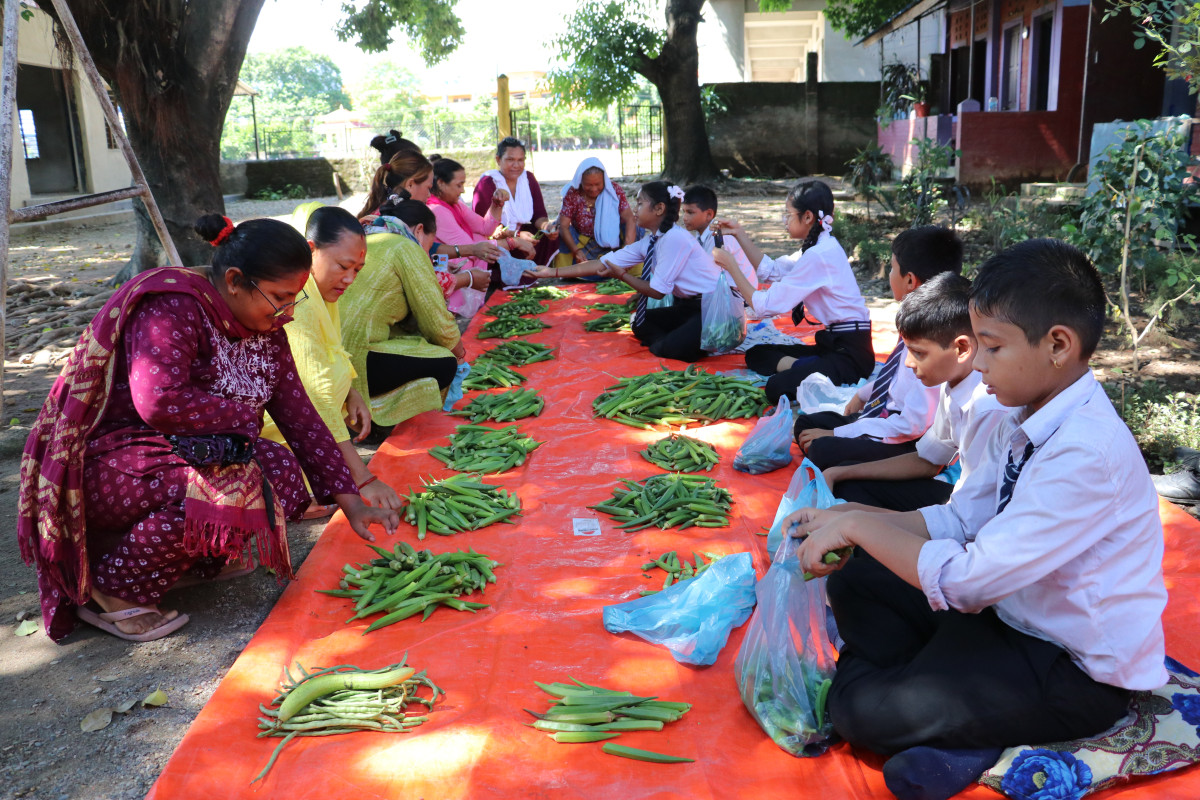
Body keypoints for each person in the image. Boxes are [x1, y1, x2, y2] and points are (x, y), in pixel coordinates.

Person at [789, 239, 1166, 800]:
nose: (978, 364)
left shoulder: (1086, 452)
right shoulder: (1026, 412)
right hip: (1007, 616)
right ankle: (949, 704)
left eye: (991, 347)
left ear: (1058, 345)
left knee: (861, 714)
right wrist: (850, 516)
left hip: (1069, 666)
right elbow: (962, 514)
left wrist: (860, 526)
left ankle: (964, 721)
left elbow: (967, 582)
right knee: (858, 573)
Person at [17, 215, 398, 643]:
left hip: (190, 450)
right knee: (226, 489)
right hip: (116, 461)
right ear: (234, 281)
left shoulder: (266, 325)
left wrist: (353, 504)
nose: (287, 313)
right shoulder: (172, 306)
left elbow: (300, 417)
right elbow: (158, 399)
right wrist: (243, 418)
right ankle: (112, 588)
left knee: (281, 473)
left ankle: (194, 561)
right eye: (279, 298)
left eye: (294, 300)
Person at [261, 205, 403, 515]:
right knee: (317, 487)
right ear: (310, 251)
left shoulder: (322, 291)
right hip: (275, 431)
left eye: (358, 270)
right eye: (343, 266)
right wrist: (363, 478)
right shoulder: (297, 299)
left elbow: (333, 350)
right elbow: (315, 394)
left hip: (311, 422)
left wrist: (351, 393)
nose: (350, 278)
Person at [821, 273, 1006, 512]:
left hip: (975, 513)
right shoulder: (952, 385)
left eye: (918, 352)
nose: (908, 363)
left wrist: (859, 521)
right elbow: (928, 460)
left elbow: (972, 514)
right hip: (964, 504)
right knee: (847, 483)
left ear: (961, 348)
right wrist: (841, 472)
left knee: (851, 499)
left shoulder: (986, 406)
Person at [788, 226, 964, 470]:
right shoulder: (918, 322)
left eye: (892, 268)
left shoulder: (936, 342)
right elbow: (895, 378)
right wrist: (863, 395)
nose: (911, 361)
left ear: (910, 280)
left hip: (907, 438)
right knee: (807, 425)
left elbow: (912, 425)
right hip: (885, 416)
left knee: (823, 448)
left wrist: (842, 432)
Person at [711, 179, 875, 404]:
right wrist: (738, 233)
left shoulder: (819, 255)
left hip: (850, 354)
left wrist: (732, 266)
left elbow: (764, 304)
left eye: (788, 214)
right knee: (756, 354)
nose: (784, 221)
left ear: (807, 217)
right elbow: (771, 270)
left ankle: (810, 369)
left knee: (776, 388)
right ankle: (807, 368)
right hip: (832, 344)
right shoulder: (817, 247)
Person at [527, 181, 721, 362]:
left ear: (659, 209)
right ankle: (683, 339)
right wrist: (551, 272)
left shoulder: (674, 239)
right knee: (639, 322)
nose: (634, 209)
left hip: (711, 308)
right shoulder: (652, 240)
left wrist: (622, 275)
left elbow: (657, 291)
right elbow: (602, 263)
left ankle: (684, 341)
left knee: (668, 349)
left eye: (639, 203)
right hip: (686, 306)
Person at [340, 199, 464, 428]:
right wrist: (460, 354)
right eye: (430, 243)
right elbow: (436, 322)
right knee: (445, 363)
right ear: (419, 231)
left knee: (413, 343)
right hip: (358, 356)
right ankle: (375, 416)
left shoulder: (368, 238)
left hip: (333, 354)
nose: (427, 252)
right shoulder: (406, 247)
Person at [359, 147, 503, 270]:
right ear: (410, 185)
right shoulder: (394, 219)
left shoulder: (394, 211)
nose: (428, 195)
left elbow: (424, 252)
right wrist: (466, 279)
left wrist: (441, 264)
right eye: (428, 188)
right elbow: (414, 271)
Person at [427, 155, 535, 290]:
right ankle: (454, 307)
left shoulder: (455, 205)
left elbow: (485, 228)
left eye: (463, 184)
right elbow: (470, 247)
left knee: (479, 237)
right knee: (469, 250)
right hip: (442, 269)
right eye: (459, 185)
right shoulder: (436, 210)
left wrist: (497, 204)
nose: (463, 190)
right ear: (441, 183)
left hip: (452, 266)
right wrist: (513, 242)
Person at [472, 137, 558, 265]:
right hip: (497, 239)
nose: (516, 165)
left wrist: (547, 227)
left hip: (521, 233)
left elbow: (539, 216)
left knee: (552, 237)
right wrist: (517, 235)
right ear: (498, 160)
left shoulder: (528, 178)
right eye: (510, 160)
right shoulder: (487, 183)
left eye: (520, 160)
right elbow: (487, 229)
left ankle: (534, 270)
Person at [554, 157, 636, 267]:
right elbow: (563, 226)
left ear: (604, 181)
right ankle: (570, 269)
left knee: (637, 227)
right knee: (557, 229)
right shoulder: (573, 193)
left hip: (614, 244)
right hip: (583, 243)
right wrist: (576, 251)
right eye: (588, 184)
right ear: (580, 181)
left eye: (598, 184)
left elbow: (630, 218)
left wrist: (624, 253)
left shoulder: (614, 191)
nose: (593, 189)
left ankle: (625, 264)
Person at [680, 185, 755, 287]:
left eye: (690, 212)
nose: (684, 218)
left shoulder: (718, 237)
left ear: (709, 214)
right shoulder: (701, 234)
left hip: (738, 296)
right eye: (683, 211)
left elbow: (708, 277)